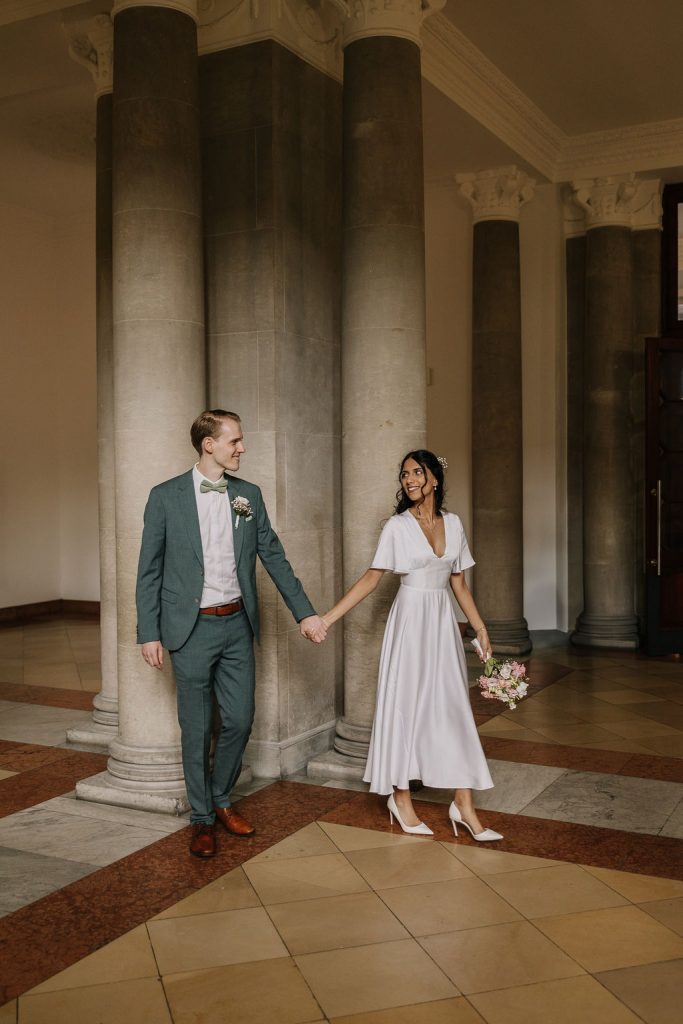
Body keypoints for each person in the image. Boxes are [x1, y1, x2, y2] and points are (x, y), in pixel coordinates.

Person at [136, 409, 327, 858]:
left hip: (237, 624)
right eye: (235, 440)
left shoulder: (248, 495)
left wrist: (305, 613)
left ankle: (221, 797)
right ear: (209, 444)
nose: (242, 447)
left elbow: (274, 556)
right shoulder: (165, 496)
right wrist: (149, 632)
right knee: (197, 727)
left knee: (240, 719)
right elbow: (149, 570)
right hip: (189, 629)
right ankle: (202, 818)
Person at [322, 450, 502, 841]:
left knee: (453, 709)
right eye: (404, 474)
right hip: (409, 624)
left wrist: (480, 628)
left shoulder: (454, 524)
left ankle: (464, 805)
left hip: (441, 623)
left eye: (417, 472)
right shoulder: (397, 526)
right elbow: (371, 578)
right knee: (404, 707)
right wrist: (327, 619)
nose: (409, 480)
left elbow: (458, 583)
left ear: (434, 478)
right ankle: (400, 798)